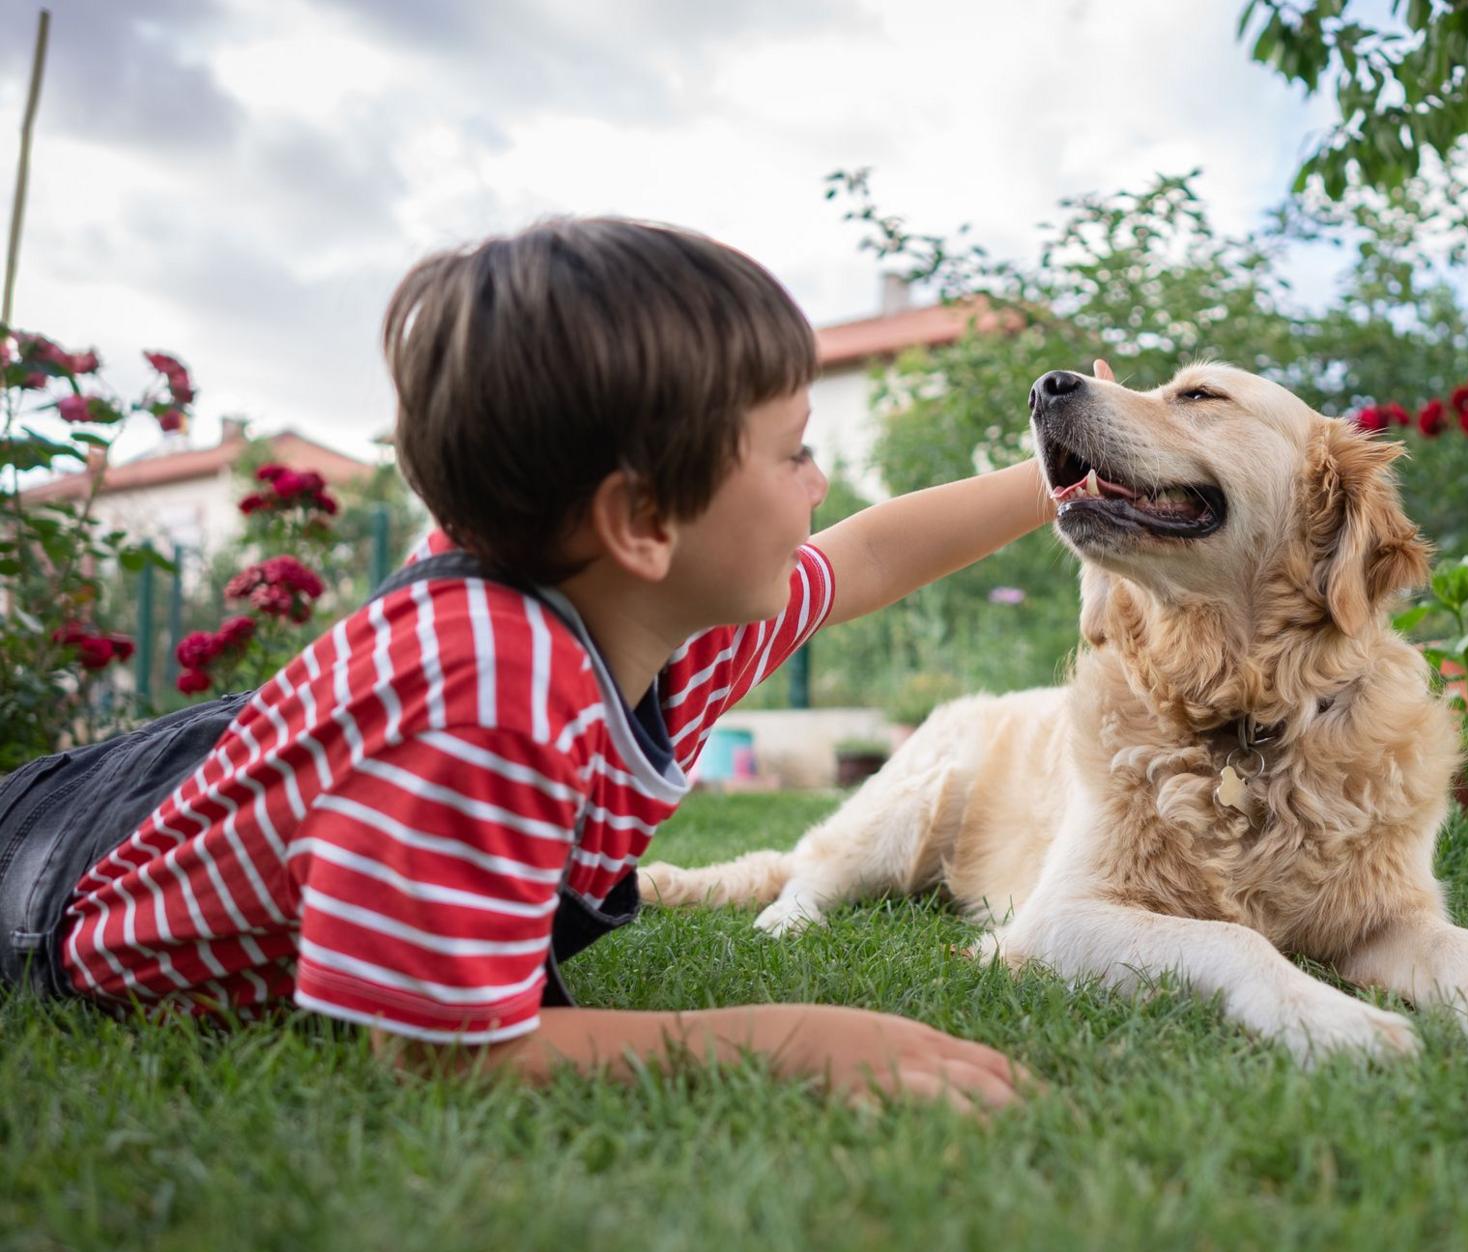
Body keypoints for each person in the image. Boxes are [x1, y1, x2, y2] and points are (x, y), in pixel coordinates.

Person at [0, 217, 1080, 1113]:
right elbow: (438, 1055)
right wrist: (792, 1035)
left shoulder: (656, 607)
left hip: (227, 764)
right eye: (792, 448)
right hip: (58, 883)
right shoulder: (489, 696)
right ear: (643, 518)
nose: (821, 477)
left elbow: (871, 551)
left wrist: (1062, 477)